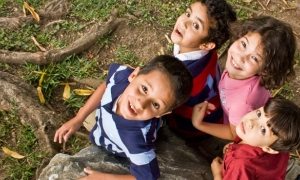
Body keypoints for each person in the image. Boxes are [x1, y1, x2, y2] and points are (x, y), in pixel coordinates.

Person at [54, 55, 193, 180]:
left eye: (155, 104)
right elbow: (107, 85)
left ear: (160, 115)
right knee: (88, 120)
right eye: (144, 89)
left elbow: (148, 176)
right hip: (101, 125)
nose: (140, 103)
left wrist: (104, 178)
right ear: (133, 75)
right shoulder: (121, 76)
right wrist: (79, 117)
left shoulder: (138, 141)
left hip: (116, 147)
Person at [192, 16, 296, 140]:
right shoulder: (240, 72)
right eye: (243, 44)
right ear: (239, 35)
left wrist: (199, 124)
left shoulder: (242, 104)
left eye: (255, 58)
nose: (240, 57)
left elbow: (234, 134)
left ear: (266, 70)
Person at [164, 0, 237, 138]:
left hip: (189, 127)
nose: (183, 22)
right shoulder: (208, 52)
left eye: (195, 25)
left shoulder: (180, 76)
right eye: (187, 13)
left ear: (207, 45)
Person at [208, 96, 300, 179]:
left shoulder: (239, 165)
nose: (250, 122)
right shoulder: (281, 144)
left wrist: (217, 174)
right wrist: (236, 146)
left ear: (269, 148)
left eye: (263, 130)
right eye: (259, 114)